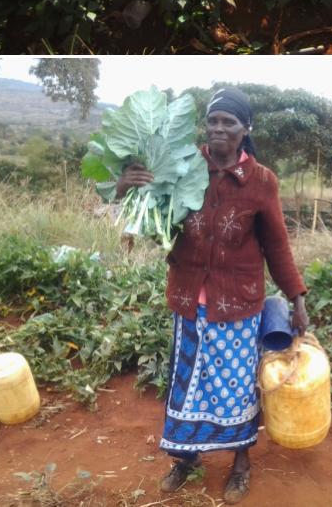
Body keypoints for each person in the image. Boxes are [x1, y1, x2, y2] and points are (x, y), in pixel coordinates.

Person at [116, 87, 309, 505]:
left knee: (235, 388)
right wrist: (125, 187)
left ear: (246, 129)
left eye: (229, 122)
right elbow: (147, 208)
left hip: (238, 307)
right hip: (189, 301)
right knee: (186, 386)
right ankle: (186, 459)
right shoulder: (183, 165)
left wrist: (297, 298)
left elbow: (277, 246)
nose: (219, 129)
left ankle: (241, 464)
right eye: (213, 121)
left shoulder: (262, 182)